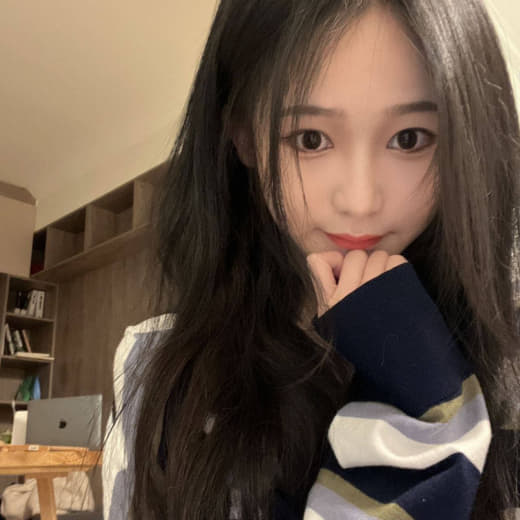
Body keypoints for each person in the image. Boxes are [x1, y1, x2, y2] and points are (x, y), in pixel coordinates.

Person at [102, 0, 520, 518]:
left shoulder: (506, 360)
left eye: (409, 139)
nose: (360, 201)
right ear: (244, 138)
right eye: (311, 139)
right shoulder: (160, 365)